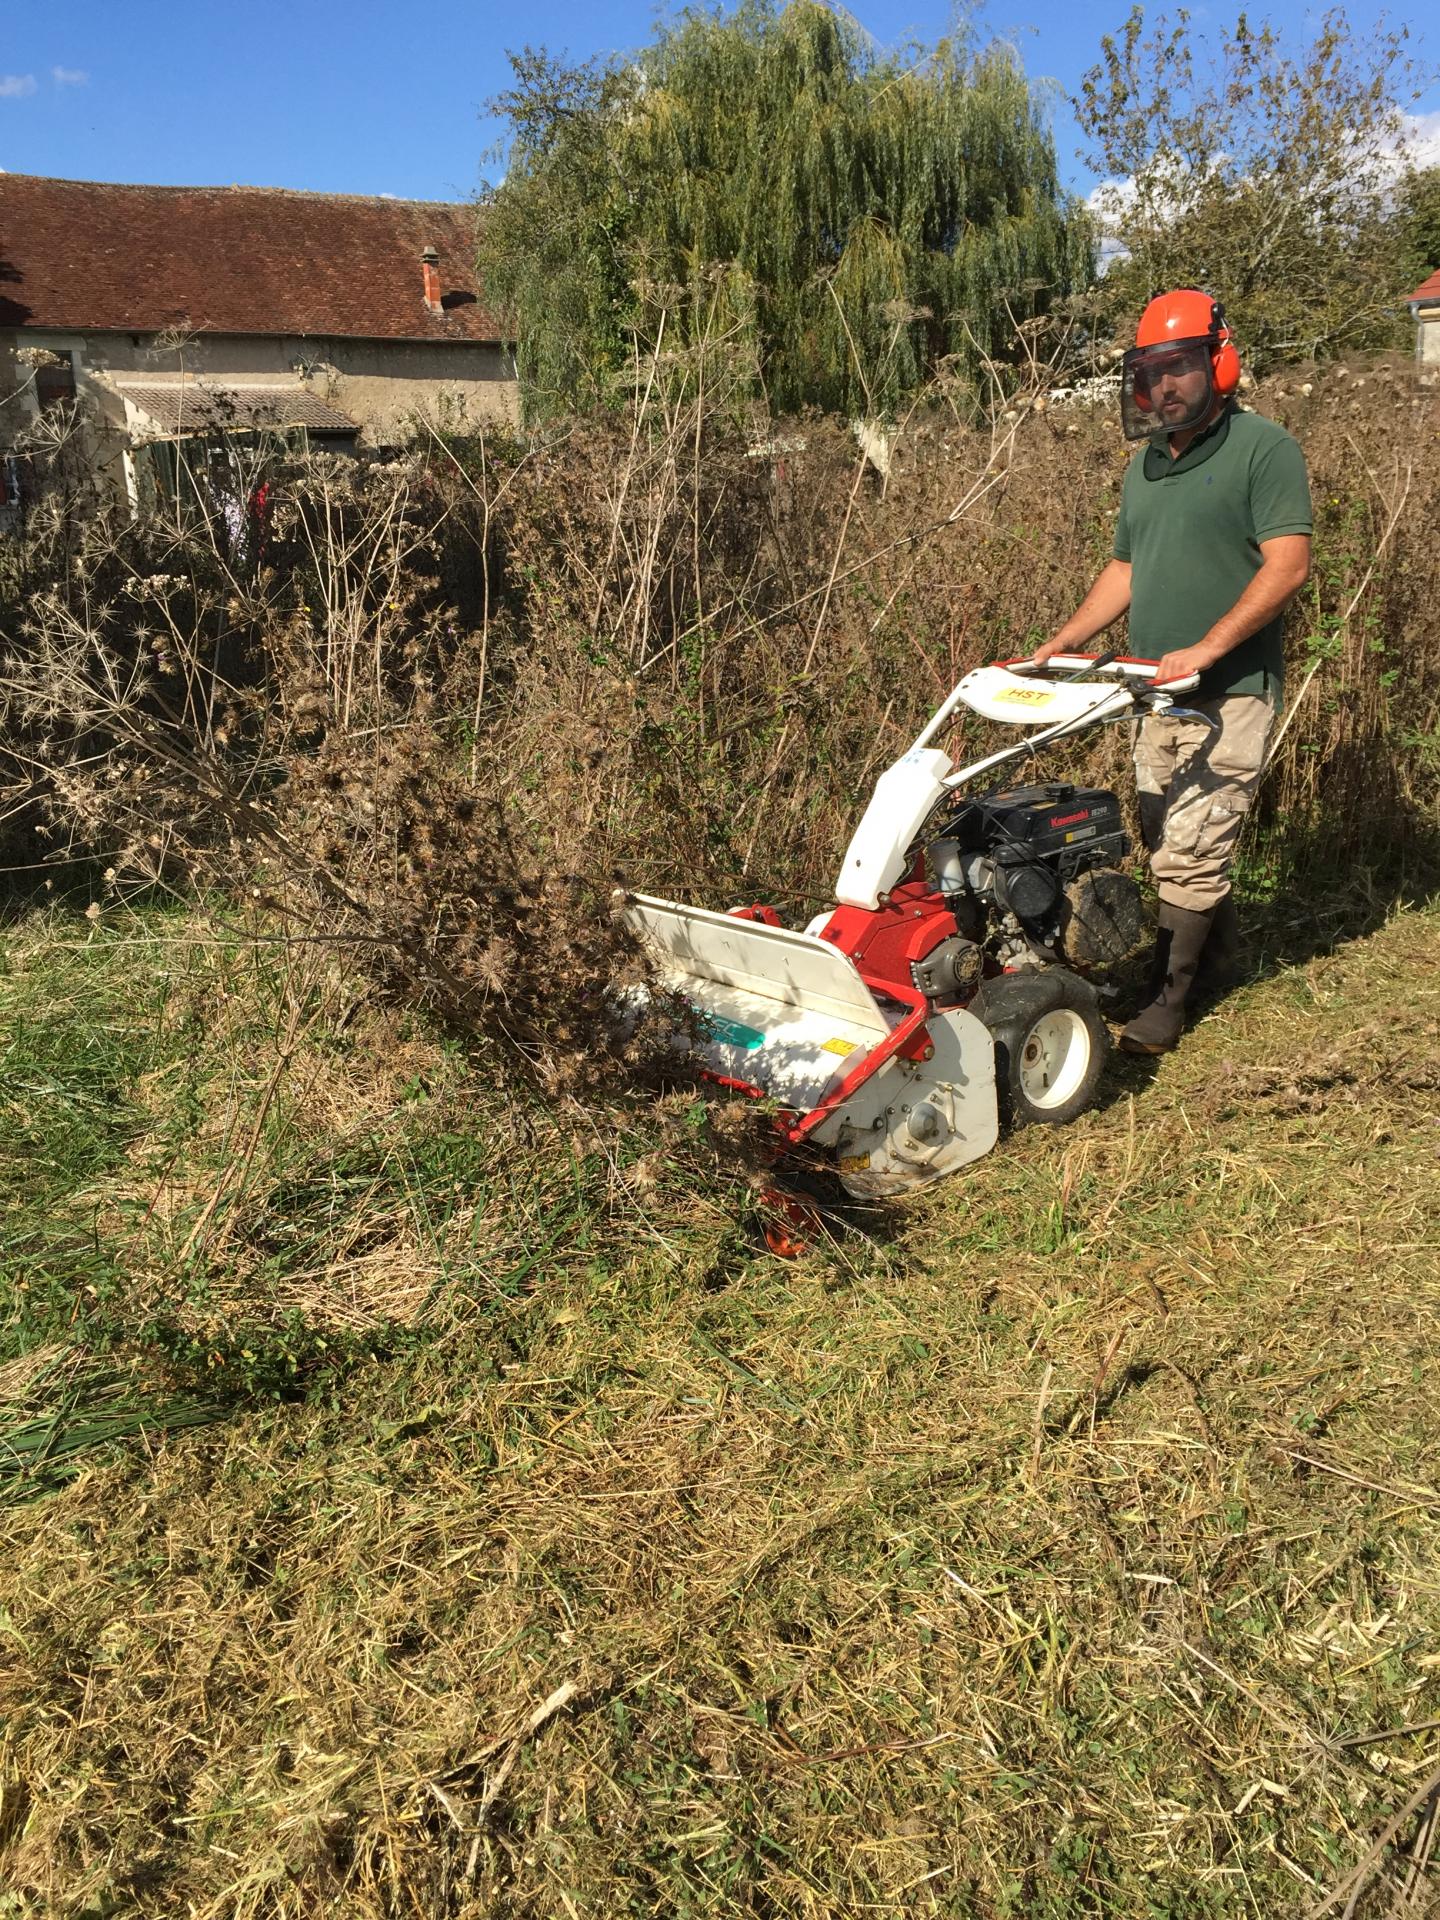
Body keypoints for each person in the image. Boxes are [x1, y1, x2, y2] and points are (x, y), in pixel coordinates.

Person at [1032, 288, 1312, 1054]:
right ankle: (1219, 961)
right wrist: (1062, 643)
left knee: (1191, 848)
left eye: (1181, 366)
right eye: (1152, 371)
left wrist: (1211, 646)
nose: (1165, 386)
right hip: (1152, 688)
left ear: (1220, 364)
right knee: (1168, 837)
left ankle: (1168, 1000)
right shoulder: (1145, 468)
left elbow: (1287, 566)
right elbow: (1126, 567)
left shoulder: (1264, 448)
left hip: (1230, 688)